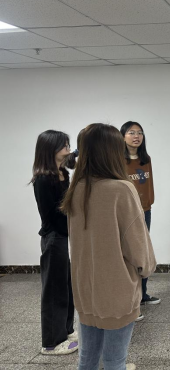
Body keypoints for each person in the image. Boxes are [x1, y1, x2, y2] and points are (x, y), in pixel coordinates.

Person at [61, 124, 157, 371]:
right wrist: (146, 268)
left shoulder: (77, 187)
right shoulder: (121, 189)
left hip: (85, 286)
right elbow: (138, 245)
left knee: (87, 359)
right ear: (112, 151)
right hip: (116, 288)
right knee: (115, 360)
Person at [31, 130, 79, 356]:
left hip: (64, 236)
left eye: (68, 144)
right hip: (53, 238)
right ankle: (51, 343)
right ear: (50, 148)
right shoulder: (43, 179)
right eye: (63, 144)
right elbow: (50, 215)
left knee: (66, 286)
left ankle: (66, 331)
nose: (68, 148)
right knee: (54, 291)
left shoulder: (63, 173)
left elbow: (75, 157)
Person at [121, 121, 160, 322]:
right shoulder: (118, 160)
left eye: (139, 133)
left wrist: (148, 204)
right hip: (128, 213)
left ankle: (143, 294)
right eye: (131, 132)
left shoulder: (146, 159)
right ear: (122, 136)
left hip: (145, 211)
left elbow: (149, 186)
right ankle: (131, 301)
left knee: (143, 253)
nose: (136, 136)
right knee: (130, 256)